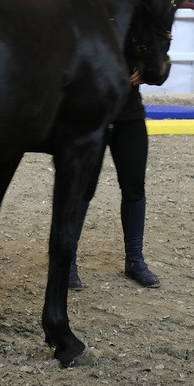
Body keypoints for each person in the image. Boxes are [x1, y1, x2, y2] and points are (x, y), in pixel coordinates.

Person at [67, 75, 160, 290]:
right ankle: (66, 261)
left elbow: (160, 70)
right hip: (90, 117)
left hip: (129, 118)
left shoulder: (137, 41)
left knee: (134, 187)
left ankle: (135, 260)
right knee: (82, 189)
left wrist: (149, 70)